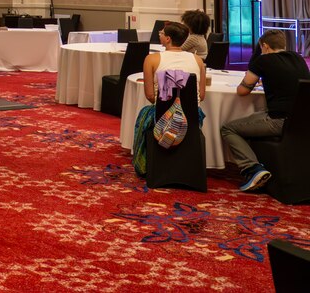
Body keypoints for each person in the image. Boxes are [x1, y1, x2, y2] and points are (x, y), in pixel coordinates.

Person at [220, 30, 310, 192]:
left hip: (279, 120)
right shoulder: (298, 58)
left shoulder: (264, 60)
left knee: (228, 128)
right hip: (302, 119)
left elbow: (243, 90)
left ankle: (253, 169)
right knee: (253, 118)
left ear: (265, 46)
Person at [131, 21, 206, 176]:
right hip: (192, 118)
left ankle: (143, 164)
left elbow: (151, 96)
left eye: (162, 33)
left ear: (168, 39)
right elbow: (202, 95)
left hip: (162, 118)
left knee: (144, 113)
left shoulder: (152, 59)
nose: (160, 34)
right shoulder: (198, 60)